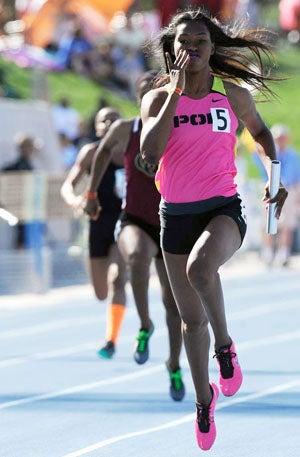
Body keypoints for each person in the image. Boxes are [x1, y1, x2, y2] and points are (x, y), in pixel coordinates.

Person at [139, 7, 288, 450]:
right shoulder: (156, 98)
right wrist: (175, 94)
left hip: (222, 209)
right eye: (183, 43)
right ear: (172, 50)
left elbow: (262, 135)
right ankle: (203, 403)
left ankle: (226, 348)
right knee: (189, 321)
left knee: (202, 270)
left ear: (213, 47)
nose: (192, 49)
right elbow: (149, 156)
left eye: (200, 42)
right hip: (175, 216)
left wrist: (273, 175)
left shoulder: (232, 95)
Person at [84, 72, 185, 402]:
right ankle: (144, 325)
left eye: (157, 93)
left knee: (174, 305)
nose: (150, 100)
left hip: (170, 220)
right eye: (144, 94)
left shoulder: (178, 129)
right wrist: (90, 194)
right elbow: (100, 154)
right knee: (137, 256)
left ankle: (173, 363)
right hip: (135, 219)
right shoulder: (126, 129)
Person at [61, 107, 127, 359]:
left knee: (117, 279)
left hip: (124, 223)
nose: (109, 123)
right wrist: (74, 201)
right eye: (103, 120)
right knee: (101, 293)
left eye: (114, 119)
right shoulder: (90, 153)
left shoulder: (131, 152)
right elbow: (68, 185)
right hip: (97, 224)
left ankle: (111, 339)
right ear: (97, 127)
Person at [253, 124, 300, 267]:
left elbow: (295, 177)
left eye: (283, 138)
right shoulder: (269, 155)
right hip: (270, 189)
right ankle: (268, 252)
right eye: (278, 138)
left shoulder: (293, 155)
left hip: (289, 190)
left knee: (287, 223)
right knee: (268, 220)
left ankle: (283, 252)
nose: (281, 140)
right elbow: (259, 162)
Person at [2, 133, 41, 248]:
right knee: (21, 236)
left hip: (27, 207)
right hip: (18, 207)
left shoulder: (28, 165)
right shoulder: (18, 166)